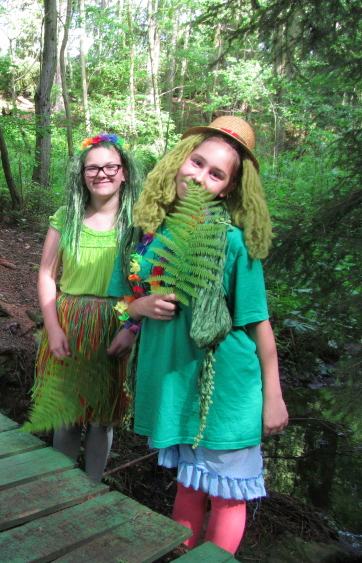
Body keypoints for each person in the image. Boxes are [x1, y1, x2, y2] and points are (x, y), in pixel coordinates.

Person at [107, 116, 289, 554]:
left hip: (225, 390)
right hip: (176, 386)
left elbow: (258, 323)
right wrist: (138, 309)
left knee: (226, 496)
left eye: (217, 174)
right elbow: (120, 299)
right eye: (197, 162)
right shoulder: (145, 234)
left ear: (228, 188)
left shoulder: (233, 243)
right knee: (189, 484)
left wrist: (274, 396)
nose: (201, 177)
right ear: (180, 161)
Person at [27, 133, 141, 482]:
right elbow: (47, 275)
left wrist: (132, 329)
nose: (101, 173)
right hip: (70, 322)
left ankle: (91, 487)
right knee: (66, 414)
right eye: (92, 168)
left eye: (110, 166)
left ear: (124, 172)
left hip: (117, 325)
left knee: (103, 417)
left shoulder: (138, 221)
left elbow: (152, 283)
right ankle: (63, 487)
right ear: (82, 174)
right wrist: (53, 327)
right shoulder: (67, 217)